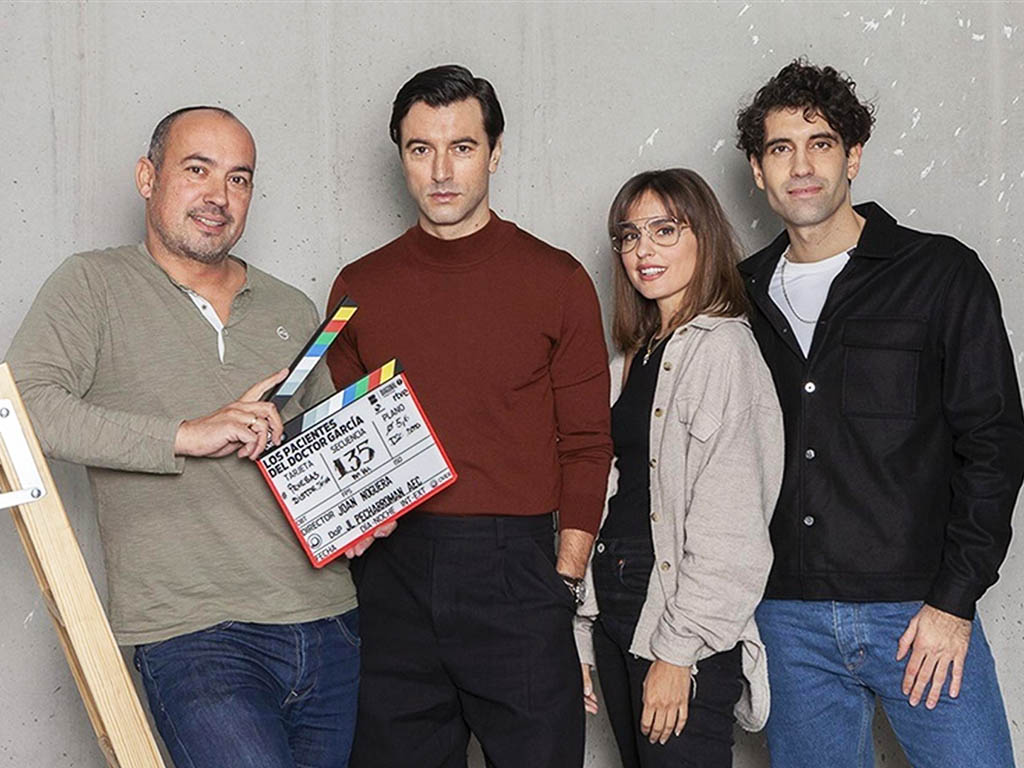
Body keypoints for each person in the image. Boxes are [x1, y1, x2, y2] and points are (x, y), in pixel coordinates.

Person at [6, 106, 360, 768]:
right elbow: (22, 409)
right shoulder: (91, 286)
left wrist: (360, 512)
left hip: (329, 621)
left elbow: (323, 456)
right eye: (197, 170)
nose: (218, 197)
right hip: (194, 635)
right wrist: (185, 435)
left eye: (239, 179)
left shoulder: (291, 308)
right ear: (147, 176)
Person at [735, 59, 1024, 767]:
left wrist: (954, 602)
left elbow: (994, 442)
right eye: (780, 148)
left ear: (853, 155)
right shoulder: (737, 297)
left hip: (918, 611)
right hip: (785, 620)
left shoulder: (939, 273)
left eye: (821, 143)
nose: (801, 166)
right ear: (757, 170)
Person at [325, 64, 612, 768]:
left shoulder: (557, 280)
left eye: (462, 146)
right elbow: (337, 441)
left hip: (515, 572)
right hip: (391, 572)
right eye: (421, 148)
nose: (442, 170)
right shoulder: (358, 287)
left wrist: (564, 581)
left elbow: (587, 443)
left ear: (496, 150)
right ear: (401, 156)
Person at [573, 169, 784, 768]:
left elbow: (734, 526)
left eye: (665, 230)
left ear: (705, 238)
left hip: (675, 622)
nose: (644, 251)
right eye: (630, 235)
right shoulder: (633, 358)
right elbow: (612, 495)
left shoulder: (725, 351)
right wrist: (584, 631)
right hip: (617, 611)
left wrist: (679, 653)